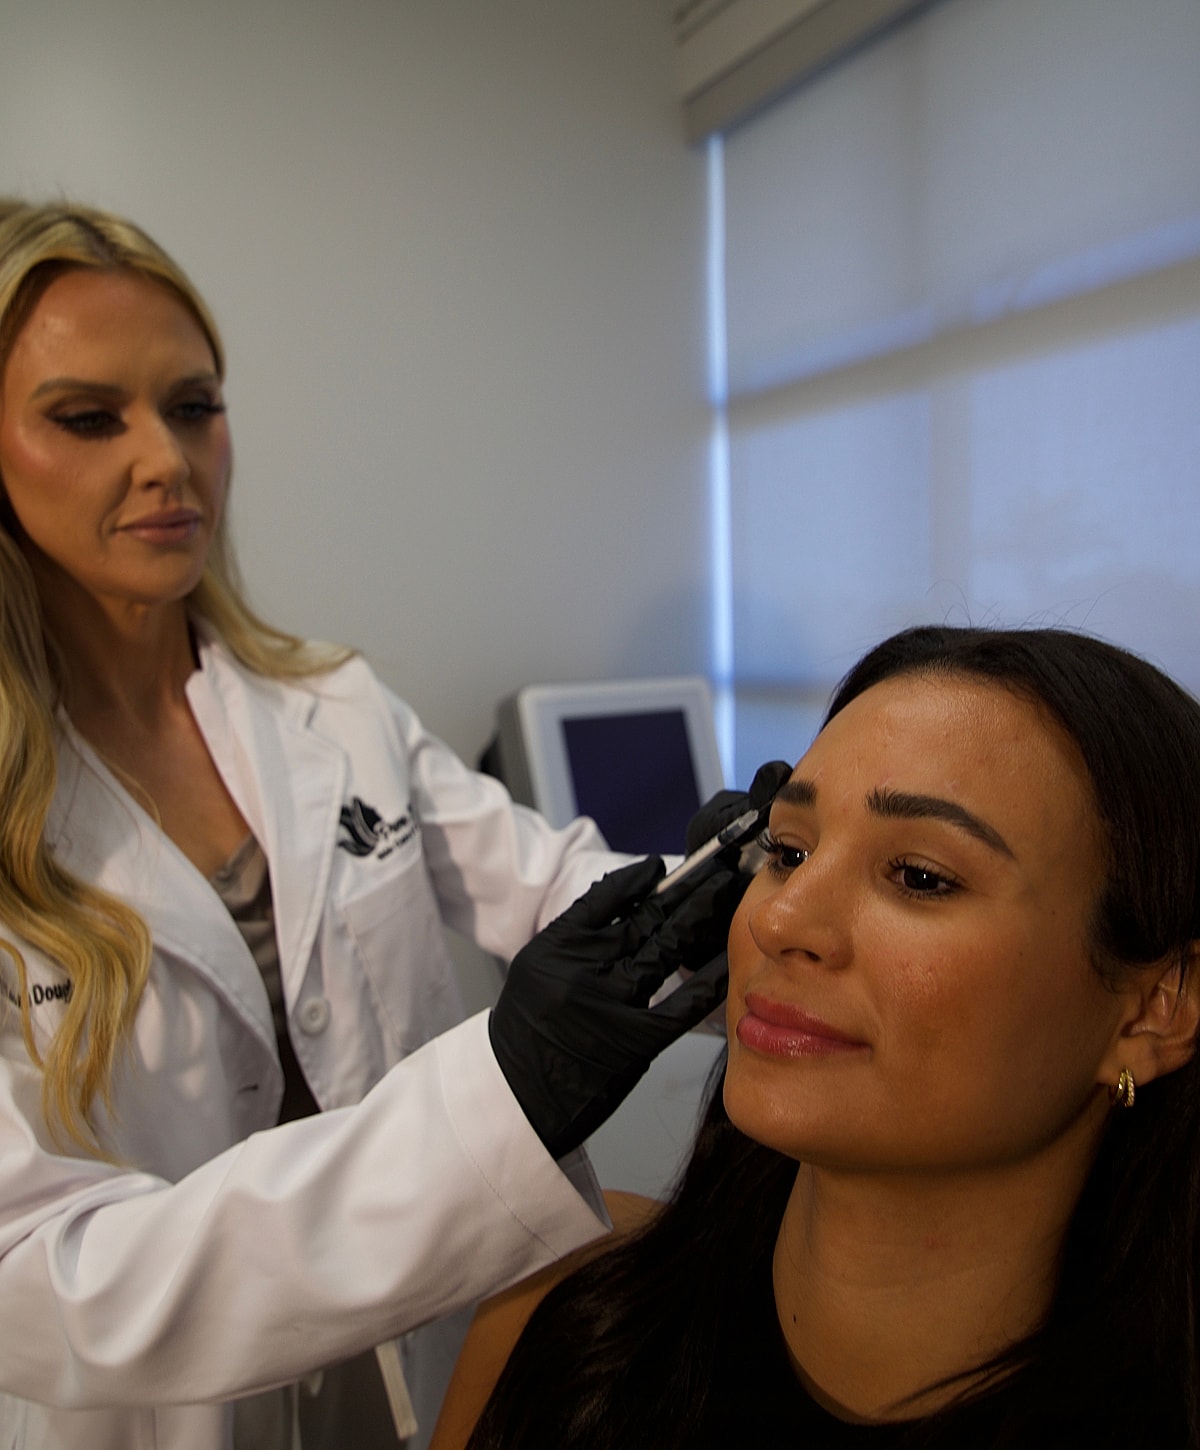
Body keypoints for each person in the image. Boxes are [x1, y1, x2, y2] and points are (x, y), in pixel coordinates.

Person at [0, 197, 751, 1450]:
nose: (166, 462)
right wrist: (503, 1090)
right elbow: (38, 1272)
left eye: (194, 405)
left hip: (419, 1370)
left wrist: (770, 884)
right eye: (88, 417)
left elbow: (549, 877)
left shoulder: (329, 705)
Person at [431, 624, 1200, 1450]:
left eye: (919, 877)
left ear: (1153, 1008)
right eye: (788, 851)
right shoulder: (562, 1309)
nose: (780, 918)